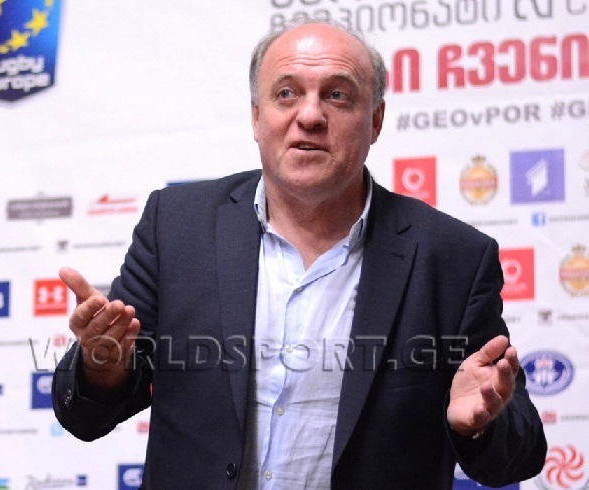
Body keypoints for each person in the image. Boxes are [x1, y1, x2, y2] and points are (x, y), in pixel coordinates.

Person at [52, 18, 547, 489]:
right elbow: (85, 415)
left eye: (337, 95)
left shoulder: (453, 257)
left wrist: (480, 425)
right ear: (256, 117)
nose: (309, 116)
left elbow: (521, 450)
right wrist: (102, 364)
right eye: (286, 93)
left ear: (375, 120)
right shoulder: (177, 227)